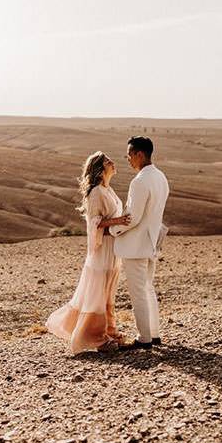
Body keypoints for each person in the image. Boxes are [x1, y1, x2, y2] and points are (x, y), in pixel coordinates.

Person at [46, 151, 131, 354]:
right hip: (101, 249)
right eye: (108, 162)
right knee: (97, 294)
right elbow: (93, 222)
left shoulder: (107, 189)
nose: (113, 163)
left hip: (113, 248)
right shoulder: (95, 193)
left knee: (108, 291)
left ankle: (110, 332)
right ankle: (94, 338)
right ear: (101, 169)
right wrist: (118, 221)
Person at [107, 136, 170, 350]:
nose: (128, 159)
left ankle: (144, 339)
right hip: (152, 242)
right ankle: (154, 334)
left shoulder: (140, 181)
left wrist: (113, 229)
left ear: (139, 154)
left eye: (129, 155)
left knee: (138, 292)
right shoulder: (161, 177)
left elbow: (132, 217)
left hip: (136, 246)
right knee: (148, 289)